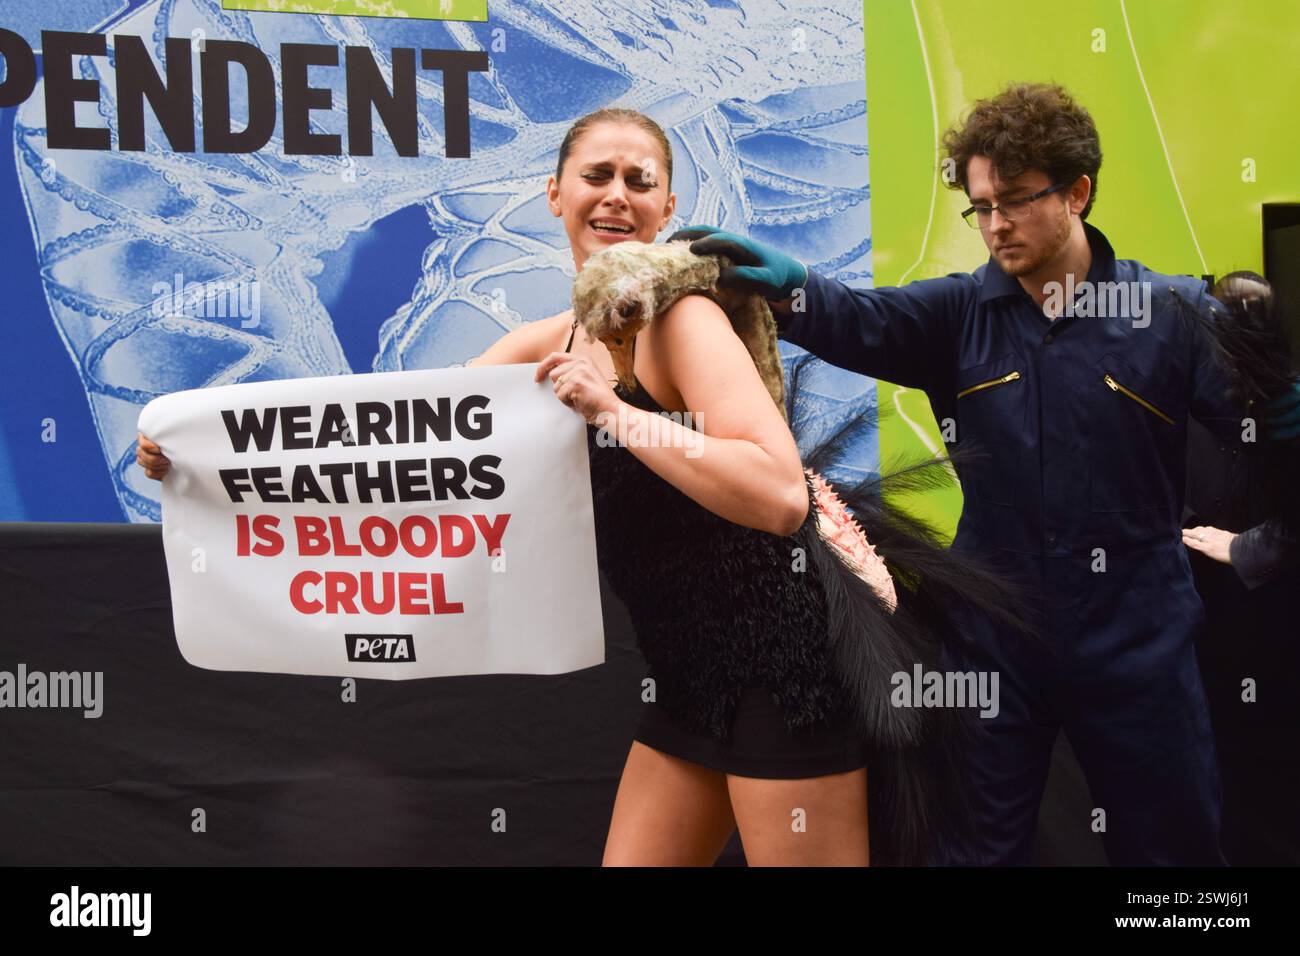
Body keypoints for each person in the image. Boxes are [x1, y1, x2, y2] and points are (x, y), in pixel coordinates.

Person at [140, 106, 1025, 867]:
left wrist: (613, 412)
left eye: (640, 181)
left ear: (667, 208)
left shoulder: (682, 319)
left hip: (783, 665)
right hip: (685, 671)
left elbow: (778, 493)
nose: (617, 195)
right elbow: (386, 436)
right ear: (554, 195)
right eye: (595, 176)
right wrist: (201, 459)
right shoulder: (544, 342)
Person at [671, 82, 1300, 866]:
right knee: (969, 855)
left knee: (1173, 860)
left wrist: (1273, 480)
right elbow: (859, 318)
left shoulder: (1167, 315)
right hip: (992, 642)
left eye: (1014, 202)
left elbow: (1269, 441)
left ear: (1078, 191)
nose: (994, 226)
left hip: (1139, 643)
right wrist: (788, 280)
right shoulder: (955, 315)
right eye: (979, 207)